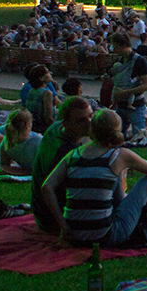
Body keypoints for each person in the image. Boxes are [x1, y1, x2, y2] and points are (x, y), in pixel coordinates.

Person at [41, 109, 147, 246]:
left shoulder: (73, 154)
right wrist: (132, 162)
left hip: (74, 235)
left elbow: (47, 187)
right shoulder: (119, 155)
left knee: (112, 177)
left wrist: (63, 225)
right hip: (106, 236)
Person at [32, 96, 94, 233]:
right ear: (66, 123)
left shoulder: (55, 128)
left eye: (91, 116)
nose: (89, 123)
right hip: (56, 220)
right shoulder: (69, 153)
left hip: (41, 213)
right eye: (81, 120)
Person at [108, 32, 147, 136]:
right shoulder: (119, 60)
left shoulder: (140, 61)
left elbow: (146, 85)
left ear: (124, 45)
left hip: (135, 104)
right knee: (117, 136)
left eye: (116, 47)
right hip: (121, 104)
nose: (114, 50)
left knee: (139, 136)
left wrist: (126, 92)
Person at [22, 63, 56, 134]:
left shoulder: (32, 91)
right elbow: (48, 118)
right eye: (47, 72)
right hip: (42, 128)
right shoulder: (47, 93)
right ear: (41, 78)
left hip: (32, 126)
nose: (50, 73)